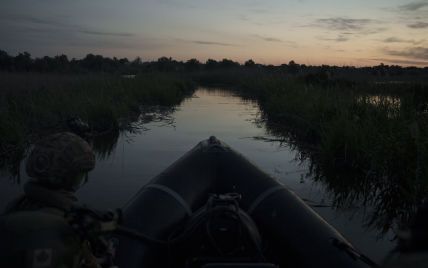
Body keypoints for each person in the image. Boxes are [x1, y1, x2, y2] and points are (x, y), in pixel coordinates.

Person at [0, 132, 101, 268]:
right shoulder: (61, 225)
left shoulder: (16, 205)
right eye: (80, 175)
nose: (83, 180)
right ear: (67, 177)